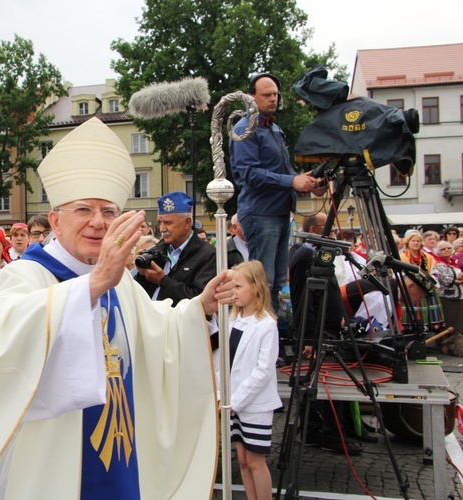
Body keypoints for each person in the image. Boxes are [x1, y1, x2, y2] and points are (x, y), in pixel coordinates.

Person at [0, 117, 232, 499]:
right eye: (83, 210)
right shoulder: (24, 275)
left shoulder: (116, 277)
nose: (98, 223)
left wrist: (200, 305)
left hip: (119, 445)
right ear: (54, 219)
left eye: (108, 211)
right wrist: (92, 284)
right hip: (48, 461)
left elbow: (155, 330)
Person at [230, 72, 325, 310]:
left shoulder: (274, 129)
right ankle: (261, 332)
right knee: (263, 281)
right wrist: (292, 181)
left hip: (279, 211)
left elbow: (284, 171)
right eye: (266, 95)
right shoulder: (245, 129)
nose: (273, 99)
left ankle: (272, 333)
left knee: (276, 282)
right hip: (261, 213)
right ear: (250, 97)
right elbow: (248, 173)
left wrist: (311, 183)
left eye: (275, 94)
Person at [289, 212, 364, 454]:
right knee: (327, 384)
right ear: (313, 229)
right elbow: (303, 298)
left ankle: (321, 431)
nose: (332, 233)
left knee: (328, 384)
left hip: (329, 328)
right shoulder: (303, 256)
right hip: (318, 332)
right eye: (327, 228)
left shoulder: (322, 254)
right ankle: (325, 434)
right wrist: (309, 337)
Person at [215, 260, 280, 500]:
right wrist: (223, 395)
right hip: (233, 401)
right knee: (241, 459)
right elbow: (224, 361)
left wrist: (236, 400)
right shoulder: (231, 320)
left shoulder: (266, 325)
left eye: (238, 287)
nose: (234, 293)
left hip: (253, 403)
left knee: (255, 461)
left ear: (256, 287)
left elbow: (264, 370)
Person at [134, 191, 218, 306]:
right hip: (152, 319)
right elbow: (139, 294)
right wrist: (142, 274)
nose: (162, 229)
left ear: (187, 223)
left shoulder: (208, 255)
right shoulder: (159, 248)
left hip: (182, 322)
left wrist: (163, 281)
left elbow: (201, 301)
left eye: (168, 223)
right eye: (160, 223)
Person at [400, 231, 444, 333]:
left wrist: (429, 279)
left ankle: (430, 331)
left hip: (426, 287)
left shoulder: (428, 257)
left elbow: (434, 271)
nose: (416, 243)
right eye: (413, 241)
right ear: (408, 243)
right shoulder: (402, 257)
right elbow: (398, 273)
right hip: (410, 288)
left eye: (418, 241)